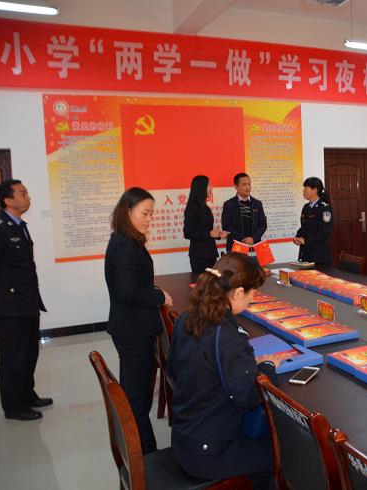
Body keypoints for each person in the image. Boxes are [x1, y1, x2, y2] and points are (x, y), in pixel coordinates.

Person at [168, 253, 276, 489]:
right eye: (252, 293)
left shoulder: (186, 318)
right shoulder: (227, 335)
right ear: (237, 293)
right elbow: (250, 396)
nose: (252, 298)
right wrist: (267, 368)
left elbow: (173, 371)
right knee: (281, 452)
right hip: (209, 453)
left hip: (184, 438)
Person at [104, 187, 173, 454]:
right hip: (132, 330)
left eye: (151, 214)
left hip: (132, 325)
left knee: (138, 394)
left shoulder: (127, 239)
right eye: (145, 213)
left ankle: (142, 450)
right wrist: (158, 296)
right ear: (127, 211)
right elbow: (127, 291)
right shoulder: (124, 245)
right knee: (136, 399)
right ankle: (144, 457)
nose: (149, 219)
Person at [0, 179, 51, 421]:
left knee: (29, 352)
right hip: (10, 305)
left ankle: (27, 395)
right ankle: (13, 406)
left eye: (27, 192)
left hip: (27, 301)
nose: (28, 197)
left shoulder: (19, 225)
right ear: (8, 200)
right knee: (13, 357)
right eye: (22, 193)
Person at [184, 175, 228, 274]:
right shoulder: (192, 208)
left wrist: (219, 235)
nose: (211, 187)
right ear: (201, 187)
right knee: (203, 283)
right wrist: (209, 234)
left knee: (212, 282)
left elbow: (207, 230)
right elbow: (188, 233)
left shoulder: (205, 207)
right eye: (209, 185)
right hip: (199, 256)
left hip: (210, 253)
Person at [221, 173, 268, 250]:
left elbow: (263, 224)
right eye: (244, 185)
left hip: (255, 245)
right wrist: (243, 239)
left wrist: (253, 238)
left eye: (249, 184)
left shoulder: (257, 203)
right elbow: (226, 226)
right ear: (236, 187)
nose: (247, 187)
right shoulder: (228, 204)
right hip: (236, 246)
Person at [293, 177, 333, 266]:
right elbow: (304, 227)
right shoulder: (306, 207)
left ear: (314, 190)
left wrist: (306, 241)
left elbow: (324, 232)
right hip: (306, 254)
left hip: (319, 256)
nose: (303, 191)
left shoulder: (324, 208)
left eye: (306, 188)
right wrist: (298, 237)